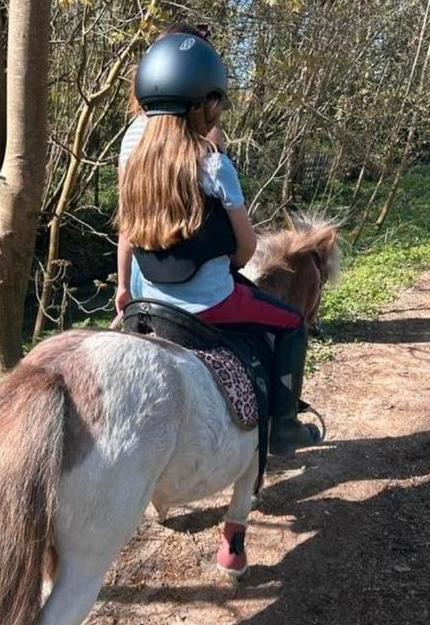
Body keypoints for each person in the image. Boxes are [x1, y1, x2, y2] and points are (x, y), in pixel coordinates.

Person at [115, 27, 320, 457]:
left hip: (148, 296)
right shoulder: (213, 164)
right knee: (291, 324)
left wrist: (125, 288)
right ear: (205, 104)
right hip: (209, 303)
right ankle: (284, 425)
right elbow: (246, 249)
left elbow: (129, 232)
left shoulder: (130, 153)